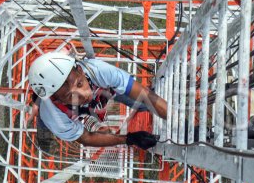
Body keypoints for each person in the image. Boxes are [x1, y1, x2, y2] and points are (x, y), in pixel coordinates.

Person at [27, 51, 166, 150]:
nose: (83, 94)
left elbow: (144, 94)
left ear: (81, 70)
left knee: (142, 103)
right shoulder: (55, 117)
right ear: (61, 101)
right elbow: (86, 138)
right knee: (45, 125)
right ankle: (41, 126)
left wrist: (175, 117)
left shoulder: (98, 70)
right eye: (71, 96)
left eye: (79, 84)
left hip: (96, 91)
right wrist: (129, 139)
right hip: (56, 111)